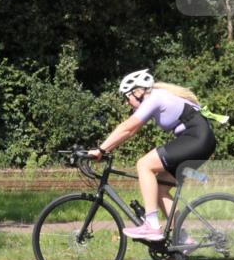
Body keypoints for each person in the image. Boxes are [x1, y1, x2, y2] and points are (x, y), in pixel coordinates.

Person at [89, 69, 217, 241]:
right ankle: (184, 240)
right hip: (202, 140)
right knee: (160, 189)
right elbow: (129, 131)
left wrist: (101, 150)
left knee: (144, 165)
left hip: (196, 139)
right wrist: (106, 149)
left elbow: (128, 128)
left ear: (137, 92)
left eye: (127, 97)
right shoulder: (159, 96)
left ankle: (152, 225)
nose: (126, 103)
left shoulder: (155, 98)